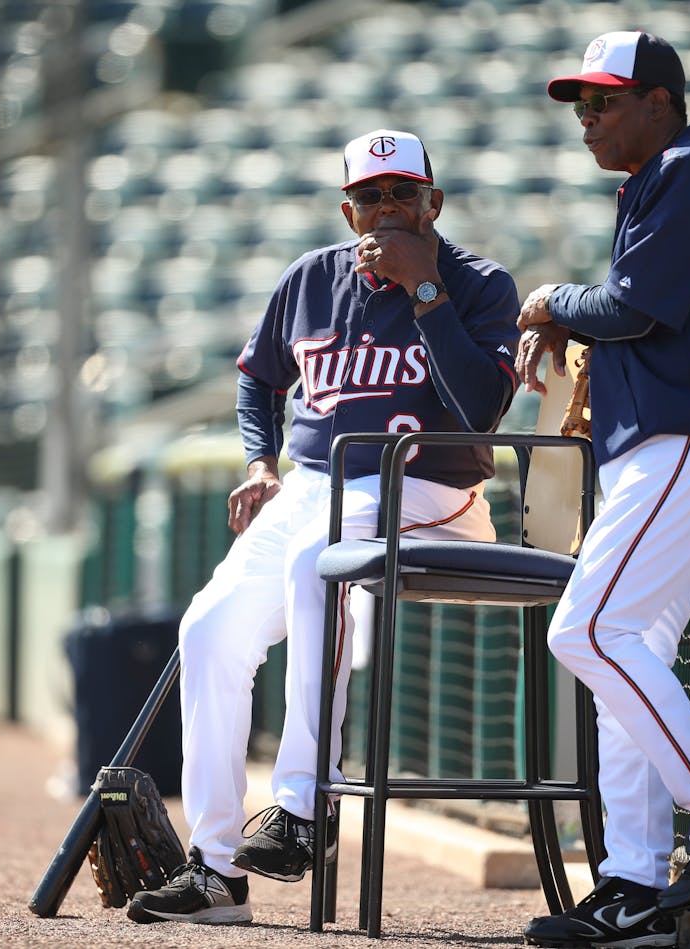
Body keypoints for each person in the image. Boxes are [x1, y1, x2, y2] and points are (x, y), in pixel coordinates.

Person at [127, 129, 522, 925]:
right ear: (348, 210)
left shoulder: (480, 284)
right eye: (370, 196)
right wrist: (258, 463)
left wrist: (426, 293)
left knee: (319, 558)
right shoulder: (310, 279)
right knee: (208, 627)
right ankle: (216, 869)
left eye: (403, 194)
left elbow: (483, 409)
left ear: (432, 202)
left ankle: (305, 809)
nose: (387, 209)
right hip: (312, 485)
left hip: (430, 488)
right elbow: (256, 378)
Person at [514, 31, 690, 949]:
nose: (587, 118)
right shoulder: (662, 175)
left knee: (585, 629)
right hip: (666, 449)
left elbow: (635, 305)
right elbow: (639, 313)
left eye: (604, 100)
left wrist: (555, 298)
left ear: (660, 101)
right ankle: (634, 886)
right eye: (580, 105)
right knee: (624, 659)